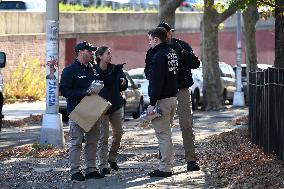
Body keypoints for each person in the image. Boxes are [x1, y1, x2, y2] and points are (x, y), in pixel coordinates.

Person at [156, 22, 201, 171]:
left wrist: (181, 51)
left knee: (186, 124)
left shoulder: (182, 45)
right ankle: (164, 159)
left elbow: (195, 63)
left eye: (167, 32)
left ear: (171, 32)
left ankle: (191, 160)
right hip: (164, 92)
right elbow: (149, 70)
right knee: (164, 127)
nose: (165, 35)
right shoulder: (155, 49)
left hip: (181, 90)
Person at [59, 41, 105, 181]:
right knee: (76, 142)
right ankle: (75, 171)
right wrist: (83, 93)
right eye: (89, 50)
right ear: (80, 52)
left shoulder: (94, 69)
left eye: (92, 51)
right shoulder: (69, 70)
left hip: (93, 109)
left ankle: (91, 169)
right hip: (77, 110)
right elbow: (64, 91)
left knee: (92, 141)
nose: (92, 53)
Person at [146, 27, 180, 177]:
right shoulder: (172, 52)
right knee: (167, 134)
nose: (149, 44)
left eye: (150, 40)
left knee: (163, 134)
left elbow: (157, 81)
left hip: (163, 100)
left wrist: (152, 103)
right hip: (173, 98)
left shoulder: (159, 55)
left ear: (156, 39)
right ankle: (167, 164)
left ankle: (165, 167)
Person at [94, 46, 128, 174]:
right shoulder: (94, 70)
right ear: (100, 56)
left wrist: (124, 82)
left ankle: (112, 158)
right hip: (101, 107)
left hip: (115, 106)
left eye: (110, 53)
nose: (110, 55)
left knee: (118, 133)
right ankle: (102, 165)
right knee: (103, 137)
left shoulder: (115, 68)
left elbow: (123, 85)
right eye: (107, 53)